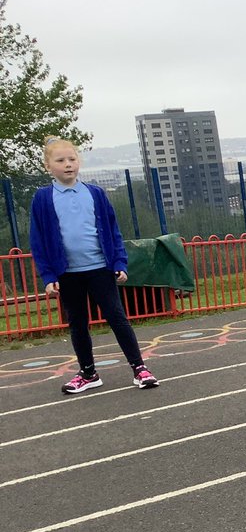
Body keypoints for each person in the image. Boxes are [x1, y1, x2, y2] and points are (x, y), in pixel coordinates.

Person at [29, 137, 159, 394]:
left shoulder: (96, 194)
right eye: (60, 160)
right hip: (67, 274)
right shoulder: (43, 198)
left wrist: (119, 262)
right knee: (77, 323)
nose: (68, 165)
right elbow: (38, 240)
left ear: (79, 162)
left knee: (117, 318)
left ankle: (140, 368)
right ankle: (88, 373)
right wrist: (48, 274)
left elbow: (113, 231)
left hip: (100, 268)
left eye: (72, 159)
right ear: (48, 166)